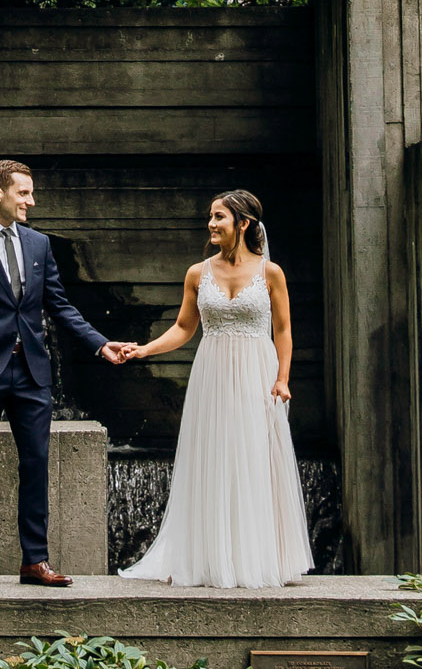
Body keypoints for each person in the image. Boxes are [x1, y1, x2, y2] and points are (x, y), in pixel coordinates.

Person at [0, 158, 127, 589]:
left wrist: (100, 342)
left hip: (32, 372)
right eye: (24, 192)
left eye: (31, 192)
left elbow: (59, 305)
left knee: (36, 464)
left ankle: (34, 560)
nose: (31, 200)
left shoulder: (39, 244)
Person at [113, 189, 314, 589]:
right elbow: (185, 328)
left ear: (243, 223)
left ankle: (256, 559)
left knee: (253, 457)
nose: (211, 224)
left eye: (219, 217)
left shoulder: (270, 272)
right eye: (210, 216)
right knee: (216, 456)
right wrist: (145, 349)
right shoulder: (197, 272)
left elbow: (284, 329)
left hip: (258, 371)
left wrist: (283, 378)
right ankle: (211, 556)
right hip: (213, 373)